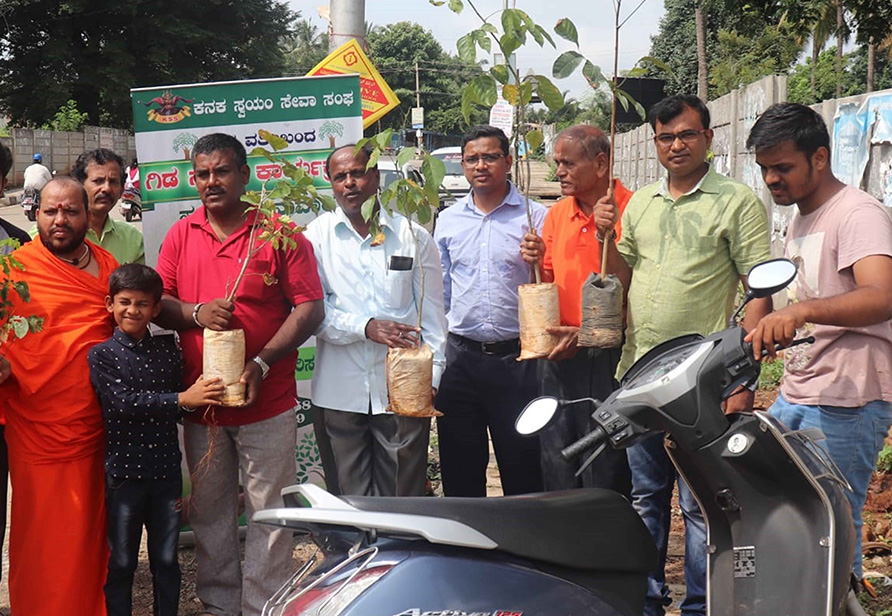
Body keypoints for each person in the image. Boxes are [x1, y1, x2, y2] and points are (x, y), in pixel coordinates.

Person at [594, 94, 772, 616]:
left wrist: (744, 378)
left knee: (700, 504)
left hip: (703, 383)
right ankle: (647, 601)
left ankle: (699, 606)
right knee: (646, 497)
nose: (676, 145)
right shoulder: (641, 203)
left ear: (708, 138)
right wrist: (606, 238)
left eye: (687, 134)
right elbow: (623, 278)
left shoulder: (735, 201)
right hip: (640, 373)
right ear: (655, 142)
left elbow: (759, 291)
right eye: (666, 137)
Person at [155, 133, 324, 616]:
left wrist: (262, 363)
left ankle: (262, 606)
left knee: (269, 514)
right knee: (210, 513)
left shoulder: (277, 232)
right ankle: (221, 605)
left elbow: (310, 308)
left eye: (222, 171)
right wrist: (196, 312)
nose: (212, 181)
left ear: (245, 175)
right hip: (203, 404)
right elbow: (159, 303)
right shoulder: (181, 233)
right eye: (202, 174)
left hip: (267, 402)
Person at [745, 102, 892, 579]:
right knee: (795, 518)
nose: (772, 179)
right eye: (765, 169)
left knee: (833, 522)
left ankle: (838, 605)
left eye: (783, 167)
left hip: (847, 397)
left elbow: (882, 296)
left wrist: (802, 311)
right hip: (801, 390)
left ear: (820, 157)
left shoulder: (857, 214)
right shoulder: (802, 217)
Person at [0, 177, 119, 615]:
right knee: (40, 533)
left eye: (70, 211)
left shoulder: (107, 267)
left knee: (89, 531)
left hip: (92, 425)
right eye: (51, 211)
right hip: (36, 427)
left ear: (87, 215)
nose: (60, 220)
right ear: (36, 215)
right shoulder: (13, 271)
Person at [304, 144, 447, 497]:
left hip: (403, 390)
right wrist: (365, 328)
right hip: (339, 391)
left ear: (376, 176)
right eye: (340, 177)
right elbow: (313, 314)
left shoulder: (412, 236)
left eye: (358, 173)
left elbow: (433, 318)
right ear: (330, 182)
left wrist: (431, 380)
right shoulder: (315, 238)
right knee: (348, 499)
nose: (350, 183)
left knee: (401, 497)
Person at [88, 263, 226, 616]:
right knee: (122, 561)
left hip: (165, 475)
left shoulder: (168, 350)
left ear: (156, 309)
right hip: (124, 477)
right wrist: (182, 399)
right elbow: (122, 404)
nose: (132, 310)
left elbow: (180, 405)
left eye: (142, 303)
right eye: (125, 302)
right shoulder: (101, 355)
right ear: (110, 304)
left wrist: (197, 396)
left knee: (166, 560)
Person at [433, 125, 546, 497]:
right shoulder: (448, 220)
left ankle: (522, 535)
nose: (480, 166)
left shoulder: (535, 218)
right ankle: (468, 536)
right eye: (472, 159)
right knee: (460, 471)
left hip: (518, 362)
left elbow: (551, 285)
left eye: (490, 157)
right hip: (461, 361)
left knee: (523, 468)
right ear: (463, 165)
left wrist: (540, 261)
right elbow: (440, 292)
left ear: (509, 161)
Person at [520, 124, 633, 495]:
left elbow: (634, 287)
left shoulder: (632, 209)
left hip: (610, 353)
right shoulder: (557, 214)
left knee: (605, 457)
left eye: (568, 163)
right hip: (560, 353)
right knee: (557, 455)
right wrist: (534, 263)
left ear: (600, 164)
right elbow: (548, 280)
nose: (559, 172)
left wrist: (607, 235)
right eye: (557, 163)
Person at [27, 149, 144, 264]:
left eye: (113, 182)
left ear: (122, 190)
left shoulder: (132, 239)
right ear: (79, 185)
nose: (107, 188)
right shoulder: (44, 237)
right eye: (98, 181)